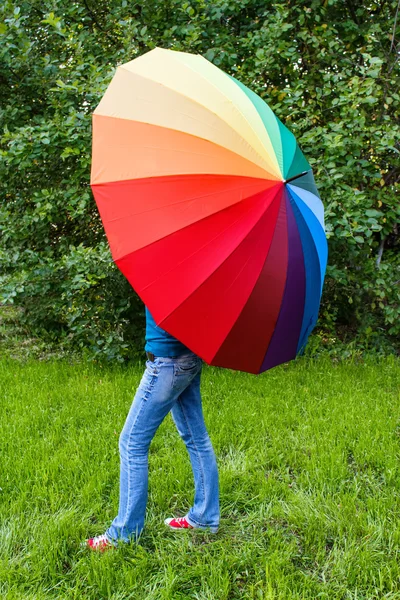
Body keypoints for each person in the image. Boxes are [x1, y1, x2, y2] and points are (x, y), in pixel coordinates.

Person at [86, 306, 220, 550]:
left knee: (132, 443)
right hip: (188, 356)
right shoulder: (193, 268)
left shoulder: (172, 268)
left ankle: (124, 533)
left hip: (167, 363)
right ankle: (205, 516)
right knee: (196, 438)